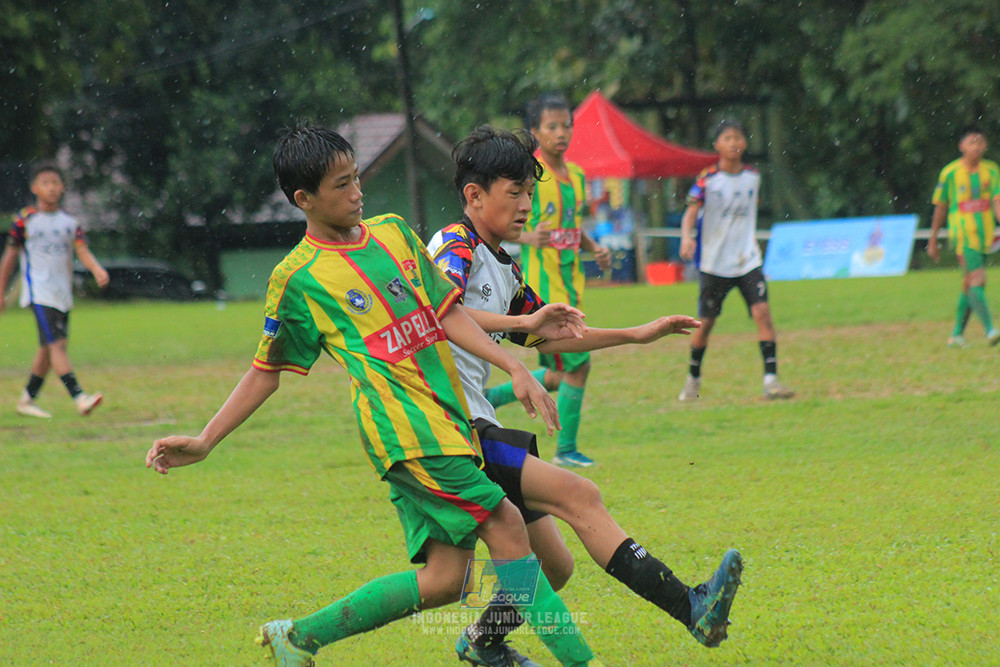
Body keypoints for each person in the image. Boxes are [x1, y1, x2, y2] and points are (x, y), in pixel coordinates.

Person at [144, 124, 602, 667]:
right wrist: (205, 440)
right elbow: (266, 371)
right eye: (342, 185)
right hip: (406, 435)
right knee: (505, 525)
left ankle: (299, 638)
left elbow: (446, 309)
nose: (358, 192)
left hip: (452, 423)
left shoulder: (393, 233)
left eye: (356, 177)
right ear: (304, 200)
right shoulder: (298, 278)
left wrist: (510, 362)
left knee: (445, 580)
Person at [427, 125, 744, 667]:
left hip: (476, 424)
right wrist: (521, 324)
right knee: (581, 496)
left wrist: (636, 333)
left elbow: (546, 330)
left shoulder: (503, 263)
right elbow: (442, 310)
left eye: (531, 191)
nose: (528, 204)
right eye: (515, 192)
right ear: (474, 195)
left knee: (555, 566)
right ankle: (692, 606)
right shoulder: (451, 245)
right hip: (450, 429)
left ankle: (482, 643)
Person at [485, 92, 611, 468]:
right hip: (543, 289)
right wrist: (526, 238)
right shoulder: (531, 176)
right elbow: (503, 225)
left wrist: (594, 246)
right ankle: (567, 450)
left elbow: (572, 225)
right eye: (552, 126)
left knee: (560, 372)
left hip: (572, 283)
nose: (561, 133)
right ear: (536, 131)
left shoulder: (578, 176)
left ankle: (493, 398)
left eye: (566, 125)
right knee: (579, 364)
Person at [677, 119, 794, 402]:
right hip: (715, 263)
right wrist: (686, 236)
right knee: (705, 324)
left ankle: (771, 381)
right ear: (717, 145)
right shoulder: (707, 179)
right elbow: (691, 211)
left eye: (738, 137)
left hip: (747, 260)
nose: (734, 143)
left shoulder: (753, 177)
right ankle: (693, 379)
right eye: (727, 138)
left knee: (762, 314)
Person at [0, 162, 108, 418]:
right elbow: (10, 257)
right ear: (35, 188)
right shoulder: (25, 221)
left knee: (48, 350)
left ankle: (27, 399)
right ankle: (80, 397)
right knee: (57, 345)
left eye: (55, 183)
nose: (51, 187)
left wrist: (96, 269)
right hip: (38, 294)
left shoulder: (69, 222)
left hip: (62, 295)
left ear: (62, 188)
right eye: (46, 182)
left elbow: (81, 250)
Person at [927, 124, 1000, 347]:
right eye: (971, 142)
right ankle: (990, 330)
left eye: (980, 142)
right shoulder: (949, 173)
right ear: (961, 146)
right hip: (962, 235)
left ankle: (957, 335)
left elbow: (997, 202)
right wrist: (933, 238)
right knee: (978, 279)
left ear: (985, 146)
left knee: (970, 284)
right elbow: (940, 207)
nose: (976, 146)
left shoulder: (992, 171)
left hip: (983, 235)